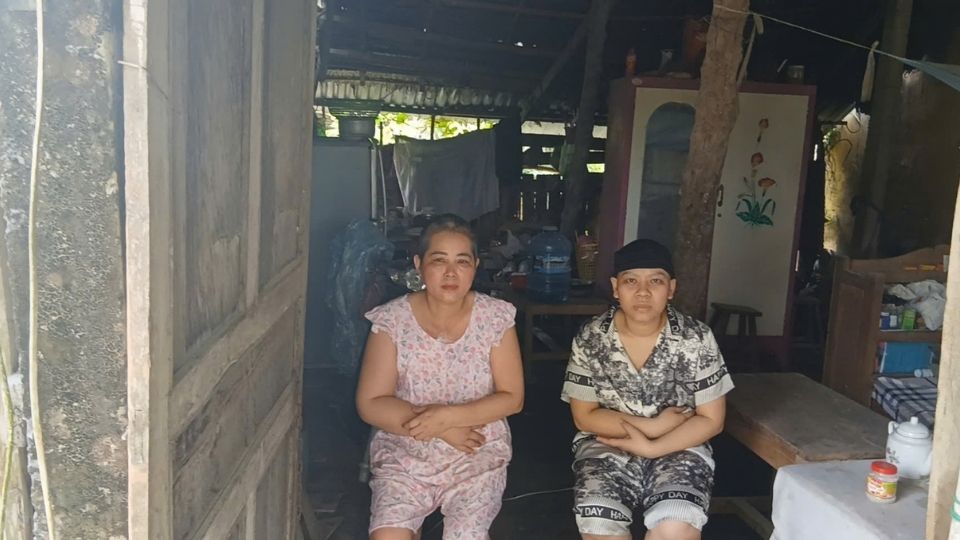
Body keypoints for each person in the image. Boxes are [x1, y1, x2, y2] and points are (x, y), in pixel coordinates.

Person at [356, 214, 524, 540]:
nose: (451, 272)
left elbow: (512, 398)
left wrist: (449, 418)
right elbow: (371, 403)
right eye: (438, 260)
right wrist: (442, 429)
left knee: (465, 535)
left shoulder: (495, 318)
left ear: (475, 266)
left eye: (462, 261)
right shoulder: (392, 321)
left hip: (475, 452)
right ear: (419, 264)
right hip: (405, 451)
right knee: (388, 536)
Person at [561, 239, 734, 540]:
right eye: (631, 281)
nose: (643, 292)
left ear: (671, 288)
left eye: (656, 281)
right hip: (608, 446)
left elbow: (712, 420)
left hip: (680, 445)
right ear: (615, 287)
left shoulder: (696, 338)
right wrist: (652, 427)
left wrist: (653, 447)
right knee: (599, 521)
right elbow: (584, 416)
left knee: (676, 525)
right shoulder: (592, 337)